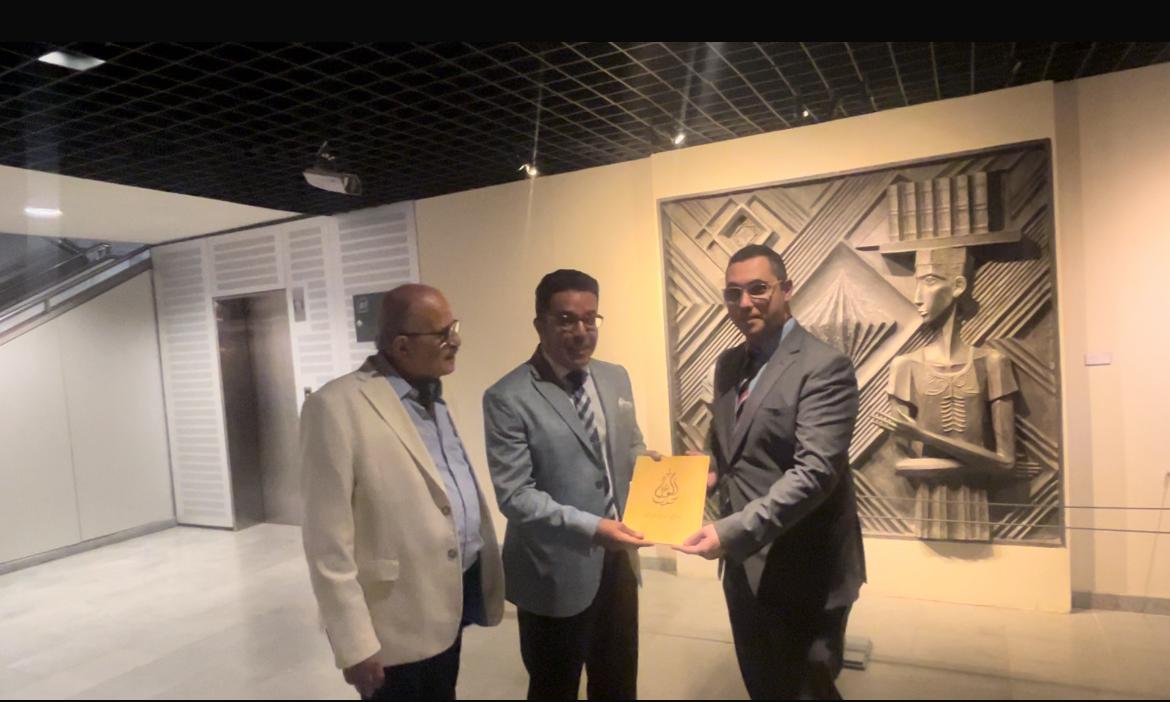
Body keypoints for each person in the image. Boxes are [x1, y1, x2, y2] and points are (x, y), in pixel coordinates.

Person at [677, 245, 866, 700]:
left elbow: (815, 474)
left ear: (786, 289)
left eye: (758, 289)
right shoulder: (728, 365)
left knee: (806, 690)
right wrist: (704, 473)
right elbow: (728, 445)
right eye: (733, 293)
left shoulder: (824, 367)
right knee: (762, 685)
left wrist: (730, 531)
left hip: (806, 569)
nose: (744, 303)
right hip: (743, 565)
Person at [301, 283, 504, 699]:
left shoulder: (436, 396)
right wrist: (354, 643)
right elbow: (326, 543)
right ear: (402, 345)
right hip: (394, 622)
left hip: (448, 602)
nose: (456, 341)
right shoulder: (335, 406)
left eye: (454, 328)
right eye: (443, 334)